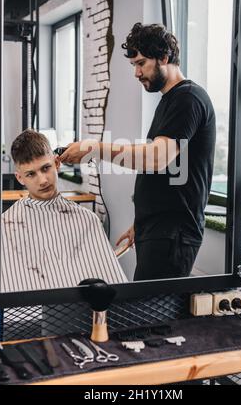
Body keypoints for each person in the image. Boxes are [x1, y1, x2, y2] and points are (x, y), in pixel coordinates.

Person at [60, 22, 216, 281]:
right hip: (157, 229)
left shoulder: (188, 98)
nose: (136, 73)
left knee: (150, 317)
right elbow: (170, 173)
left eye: (141, 63)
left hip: (173, 234)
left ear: (164, 57)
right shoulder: (170, 100)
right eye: (134, 65)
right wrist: (141, 223)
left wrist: (94, 148)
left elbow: (157, 158)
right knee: (145, 314)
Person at [1, 129, 127, 293]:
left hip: (82, 316)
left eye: (46, 168)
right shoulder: (6, 225)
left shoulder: (87, 220)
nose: (43, 180)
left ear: (57, 163)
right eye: (31, 174)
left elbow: (112, 291)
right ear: (20, 178)